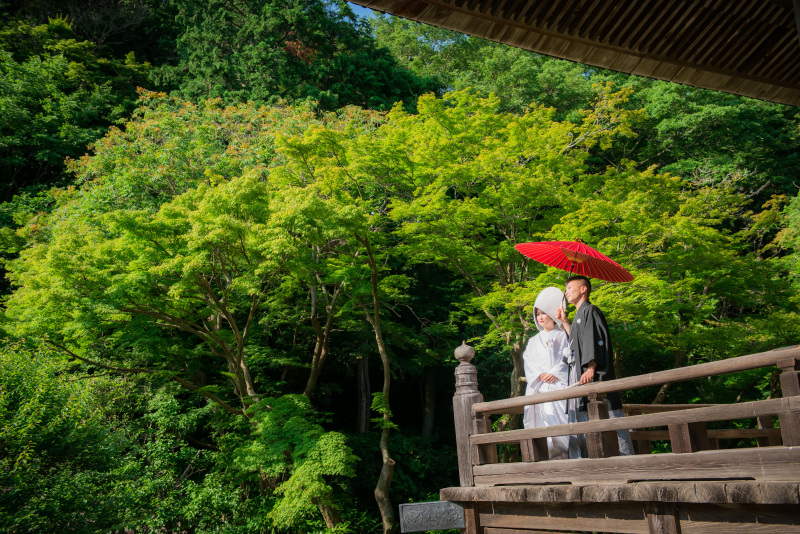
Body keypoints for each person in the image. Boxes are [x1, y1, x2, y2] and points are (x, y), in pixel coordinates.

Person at [556, 275, 634, 458]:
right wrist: (565, 322)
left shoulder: (591, 311)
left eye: (570, 288)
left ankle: (629, 460)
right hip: (583, 377)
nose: (566, 292)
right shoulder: (578, 316)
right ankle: (600, 462)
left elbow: (595, 341)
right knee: (590, 424)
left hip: (595, 375)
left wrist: (591, 367)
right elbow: (576, 343)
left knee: (613, 419)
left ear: (584, 289)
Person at [522, 286, 571, 460]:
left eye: (544, 313)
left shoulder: (563, 336)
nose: (540, 317)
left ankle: (564, 457)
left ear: (553, 314)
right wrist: (540, 375)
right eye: (538, 314)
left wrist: (556, 372)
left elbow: (569, 357)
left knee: (561, 422)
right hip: (540, 386)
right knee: (542, 421)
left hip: (558, 385)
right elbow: (528, 360)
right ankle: (543, 460)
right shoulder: (533, 341)